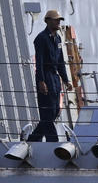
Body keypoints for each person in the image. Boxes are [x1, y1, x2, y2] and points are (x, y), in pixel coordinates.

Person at [28, 9, 69, 143]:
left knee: (55, 110)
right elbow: (39, 61)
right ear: (48, 21)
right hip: (45, 76)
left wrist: (65, 79)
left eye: (59, 20)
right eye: (56, 20)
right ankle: (53, 142)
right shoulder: (41, 38)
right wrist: (41, 81)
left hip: (55, 78)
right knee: (48, 111)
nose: (58, 22)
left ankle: (33, 140)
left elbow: (61, 61)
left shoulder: (57, 38)